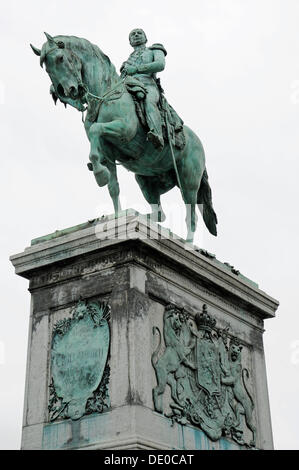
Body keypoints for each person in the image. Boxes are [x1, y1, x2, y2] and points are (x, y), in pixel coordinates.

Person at [120, 28, 166, 150]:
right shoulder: (126, 62)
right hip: (128, 86)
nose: (136, 35)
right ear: (130, 42)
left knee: (149, 102)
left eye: (139, 33)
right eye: (132, 34)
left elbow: (160, 65)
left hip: (147, 85)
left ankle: (157, 134)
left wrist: (136, 69)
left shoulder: (154, 50)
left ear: (146, 38)